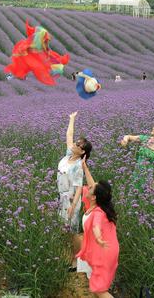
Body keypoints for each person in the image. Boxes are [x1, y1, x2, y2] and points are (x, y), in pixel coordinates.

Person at [76, 159, 119, 298]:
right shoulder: (94, 203)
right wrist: (85, 168)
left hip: (103, 251)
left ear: (94, 197)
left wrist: (99, 238)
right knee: (95, 284)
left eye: (90, 188)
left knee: (99, 289)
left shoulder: (99, 212)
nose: (88, 187)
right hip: (98, 249)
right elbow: (91, 184)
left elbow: (96, 226)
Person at [60, 112, 92, 270]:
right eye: (77, 143)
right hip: (62, 198)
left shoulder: (78, 165)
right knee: (66, 230)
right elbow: (69, 134)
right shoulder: (68, 155)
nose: (76, 145)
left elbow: (79, 187)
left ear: (83, 153)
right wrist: (72, 119)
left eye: (80, 146)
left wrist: (73, 205)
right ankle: (74, 256)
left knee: (72, 231)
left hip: (72, 199)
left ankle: (76, 261)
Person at [120, 120, 154, 191]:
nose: (153, 128)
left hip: (148, 178)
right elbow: (128, 136)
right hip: (137, 174)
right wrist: (125, 141)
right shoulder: (144, 139)